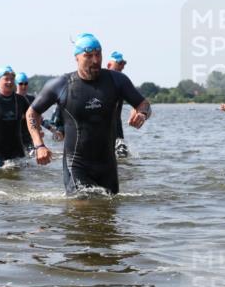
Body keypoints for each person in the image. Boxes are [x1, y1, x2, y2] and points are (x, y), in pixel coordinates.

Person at [26, 33, 151, 195]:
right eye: (89, 56)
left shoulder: (117, 80)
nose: (95, 60)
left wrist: (142, 114)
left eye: (98, 54)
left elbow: (144, 104)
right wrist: (39, 145)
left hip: (108, 166)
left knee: (110, 208)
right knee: (81, 207)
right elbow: (32, 112)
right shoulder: (61, 85)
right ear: (77, 57)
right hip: (76, 165)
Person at [107, 51, 129, 158]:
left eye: (123, 64)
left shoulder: (122, 82)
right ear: (109, 65)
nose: (122, 66)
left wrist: (137, 109)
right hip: (101, 130)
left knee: (123, 156)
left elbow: (136, 100)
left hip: (117, 130)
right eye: (119, 63)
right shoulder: (100, 82)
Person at [16, 72, 33, 153]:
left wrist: (52, 129)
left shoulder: (32, 99)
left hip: (29, 136)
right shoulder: (11, 99)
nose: (23, 86)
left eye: (26, 84)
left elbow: (39, 117)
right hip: (15, 136)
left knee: (32, 158)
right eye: (21, 84)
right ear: (16, 84)